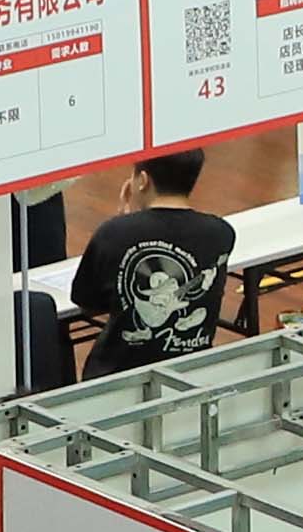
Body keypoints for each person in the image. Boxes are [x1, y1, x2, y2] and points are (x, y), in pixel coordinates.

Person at [73, 150, 251, 375]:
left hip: (116, 377)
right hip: (191, 374)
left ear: (142, 181)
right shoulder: (221, 233)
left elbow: (86, 301)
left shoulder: (112, 233)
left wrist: (123, 222)